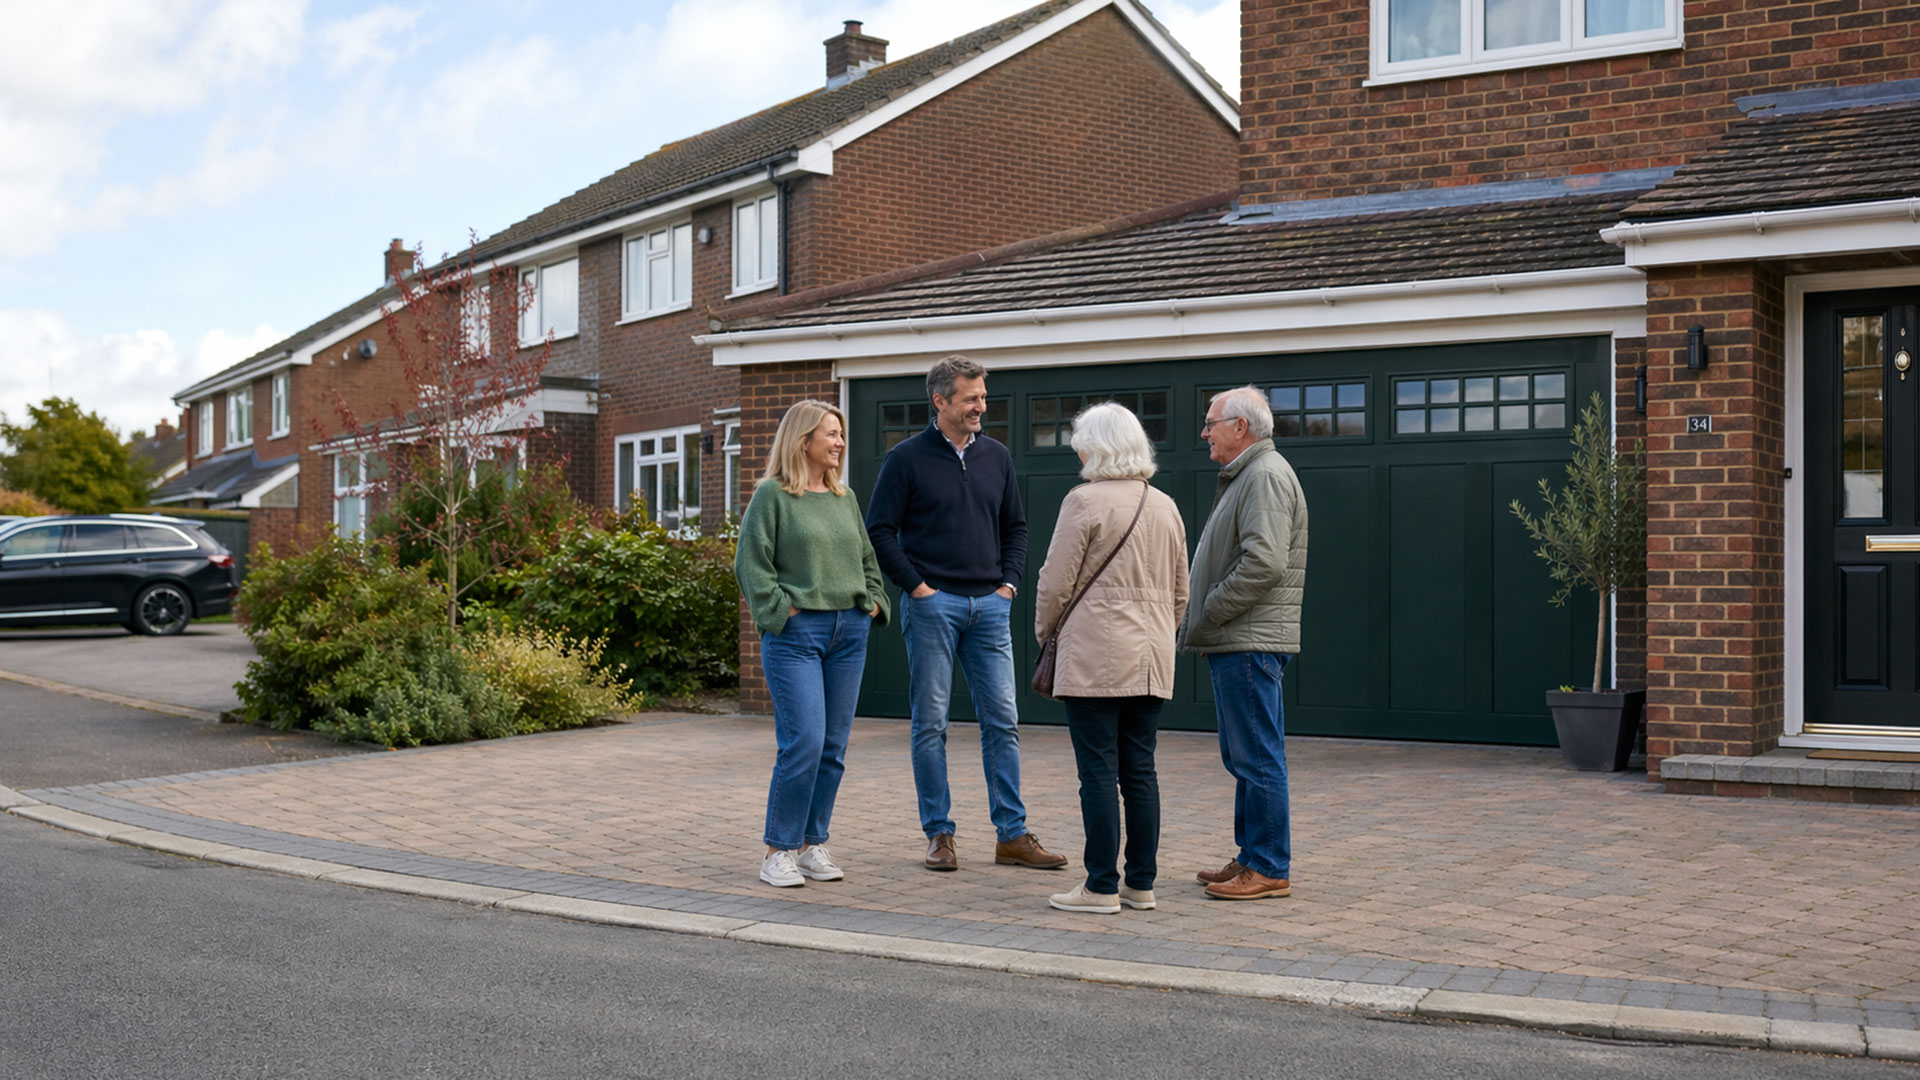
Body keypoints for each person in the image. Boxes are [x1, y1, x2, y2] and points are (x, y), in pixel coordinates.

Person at [865, 354, 1066, 873]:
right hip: (934, 606)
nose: (982, 406)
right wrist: (918, 588)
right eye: (971, 398)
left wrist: (1008, 585)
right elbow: (880, 530)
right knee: (930, 723)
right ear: (941, 401)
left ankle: (1013, 835)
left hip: (991, 608)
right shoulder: (905, 459)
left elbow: (1016, 527)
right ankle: (939, 834)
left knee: (1003, 720)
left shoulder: (996, 456)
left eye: (982, 396)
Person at [1032, 403, 1188, 914]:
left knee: (1097, 772)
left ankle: (1100, 886)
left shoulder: (1084, 501)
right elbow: (1181, 591)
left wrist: (1046, 632)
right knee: (1140, 770)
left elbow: (1055, 583)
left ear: (1093, 447)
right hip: (1151, 658)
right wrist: (1161, 633)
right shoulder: (1165, 504)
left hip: (1095, 655)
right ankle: (1140, 884)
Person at [735, 400, 888, 889]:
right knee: (803, 742)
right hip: (797, 637)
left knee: (834, 747)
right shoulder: (772, 496)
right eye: (831, 434)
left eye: (841, 433)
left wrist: (876, 602)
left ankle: (811, 844)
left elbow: (867, 557)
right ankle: (777, 849)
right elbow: (751, 566)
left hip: (849, 633)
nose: (840, 442)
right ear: (804, 441)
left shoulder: (845, 497)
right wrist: (782, 611)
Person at [1179, 386, 1308, 901]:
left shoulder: (1265, 476)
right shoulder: (1248, 474)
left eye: (1211, 423)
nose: (1204, 432)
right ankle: (1252, 855)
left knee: (1257, 755)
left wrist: (1210, 607)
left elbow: (1264, 562)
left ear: (1241, 427)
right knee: (1244, 755)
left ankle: (1271, 865)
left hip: (1248, 638)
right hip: (1239, 637)